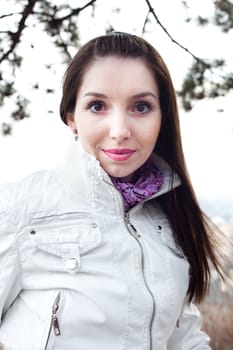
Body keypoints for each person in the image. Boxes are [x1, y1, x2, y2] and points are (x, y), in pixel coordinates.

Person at [0, 32, 228, 350]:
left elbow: (183, 337)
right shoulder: (20, 209)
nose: (120, 130)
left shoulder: (168, 217)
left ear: (162, 117)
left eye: (141, 107)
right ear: (71, 117)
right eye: (97, 106)